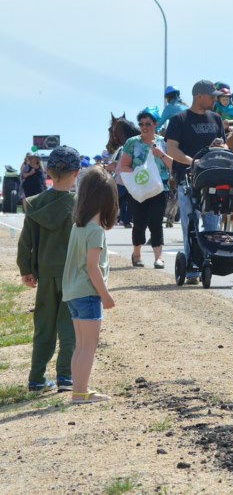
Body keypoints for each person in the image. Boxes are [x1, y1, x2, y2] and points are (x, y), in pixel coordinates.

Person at [16, 146, 81, 394]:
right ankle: (66, 376)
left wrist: (26, 269)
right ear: (77, 172)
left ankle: (36, 378)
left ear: (48, 171)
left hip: (45, 274)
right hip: (72, 275)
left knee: (43, 325)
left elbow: (26, 243)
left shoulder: (34, 204)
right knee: (69, 326)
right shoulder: (80, 205)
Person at [61, 166, 119, 404]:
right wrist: (105, 295)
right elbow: (92, 267)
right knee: (89, 346)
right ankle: (81, 393)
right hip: (88, 295)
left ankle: (79, 388)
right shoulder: (96, 232)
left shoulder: (78, 227)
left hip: (73, 294)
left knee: (80, 346)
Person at [165, 80, 226, 284]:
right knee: (190, 223)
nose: (214, 99)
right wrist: (193, 162)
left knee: (212, 224)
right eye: (211, 96)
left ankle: (209, 263)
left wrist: (220, 147)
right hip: (188, 179)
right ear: (199, 96)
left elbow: (223, 145)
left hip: (213, 179)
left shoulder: (216, 118)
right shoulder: (179, 120)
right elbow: (171, 150)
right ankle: (191, 267)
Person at [118, 107, 174, 269]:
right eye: (141, 123)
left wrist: (160, 154)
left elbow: (172, 165)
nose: (144, 127)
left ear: (155, 124)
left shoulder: (163, 143)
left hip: (159, 188)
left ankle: (159, 257)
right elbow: (124, 166)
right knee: (140, 222)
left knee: (156, 222)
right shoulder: (132, 143)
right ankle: (137, 254)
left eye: (148, 123)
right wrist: (140, 175)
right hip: (138, 189)